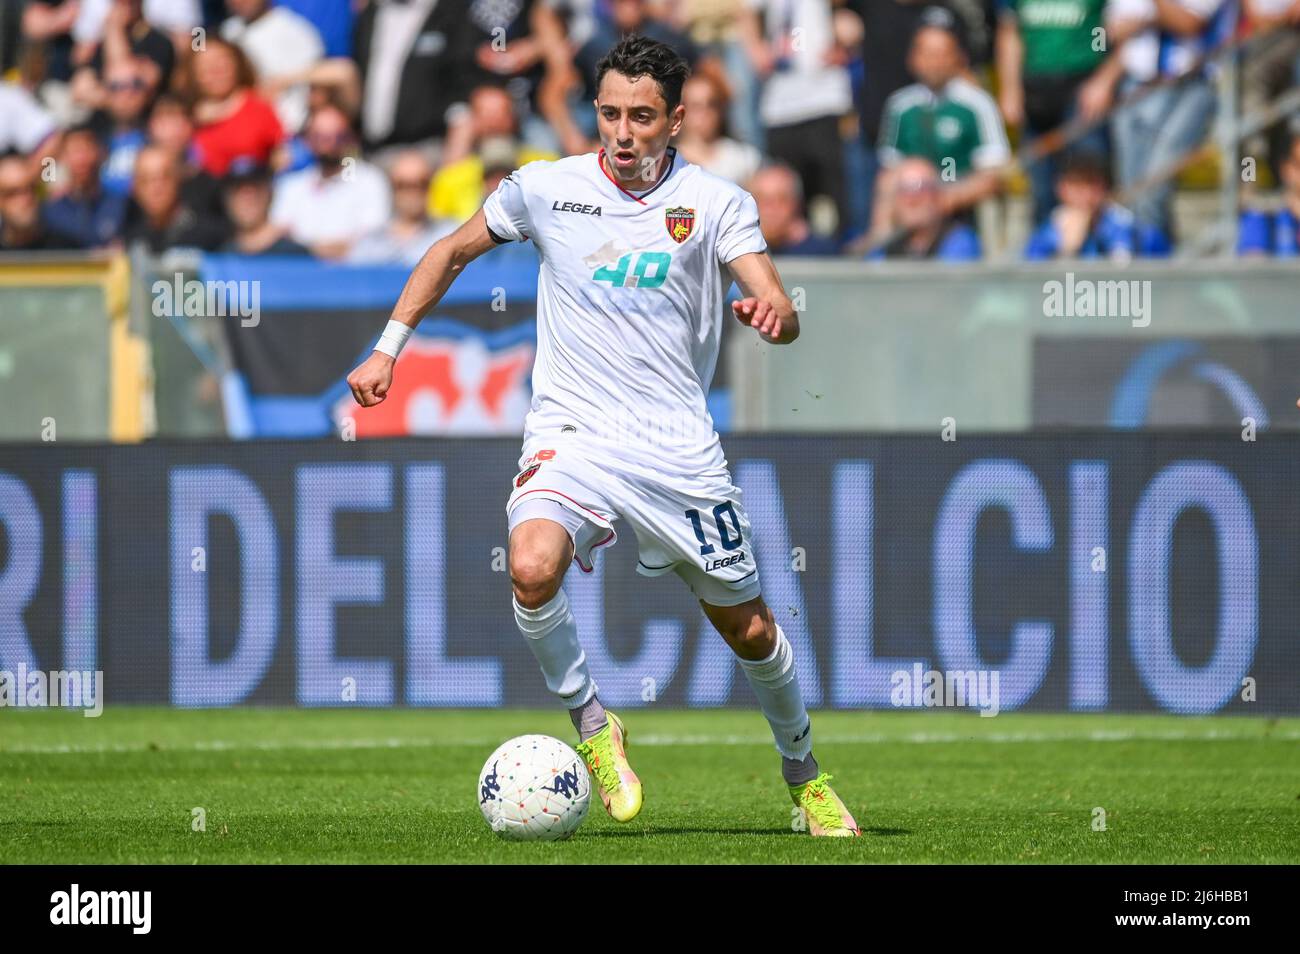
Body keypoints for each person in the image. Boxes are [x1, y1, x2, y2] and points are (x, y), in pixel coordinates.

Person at [345, 35, 859, 837]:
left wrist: (777, 317)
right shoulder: (548, 188)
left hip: (677, 448)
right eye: (611, 113)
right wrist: (387, 348)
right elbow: (450, 251)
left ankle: (805, 778)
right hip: (573, 433)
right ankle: (593, 724)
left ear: (677, 119)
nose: (623, 132)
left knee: (751, 629)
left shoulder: (716, 202)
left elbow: (776, 303)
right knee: (531, 567)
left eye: (643, 117)